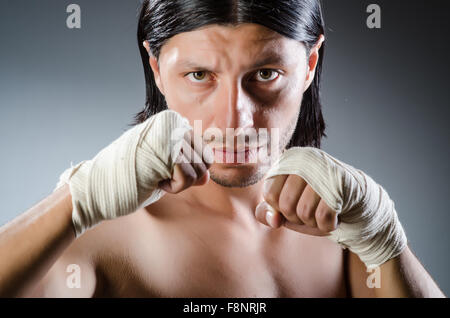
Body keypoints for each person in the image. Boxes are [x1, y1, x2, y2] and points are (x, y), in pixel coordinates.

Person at [0, 0, 445, 298]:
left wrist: (387, 241)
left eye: (266, 74)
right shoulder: (101, 238)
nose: (235, 119)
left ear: (309, 66)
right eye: (199, 75)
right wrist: (75, 202)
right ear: (156, 69)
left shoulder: (343, 229)